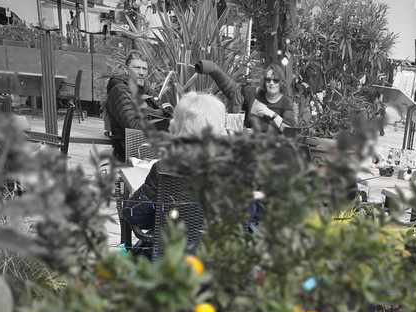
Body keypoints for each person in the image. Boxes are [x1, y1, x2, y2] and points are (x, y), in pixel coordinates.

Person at [120, 92, 228, 254]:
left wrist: (156, 212)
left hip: (168, 259)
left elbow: (134, 216)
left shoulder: (164, 168)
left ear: (176, 130)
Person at [194, 60, 297, 133]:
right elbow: (230, 87)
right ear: (264, 81)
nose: (271, 83)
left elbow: (290, 130)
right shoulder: (254, 94)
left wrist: (271, 114)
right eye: (268, 79)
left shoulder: (285, 102)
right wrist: (211, 68)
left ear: (281, 83)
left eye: (275, 80)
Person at [106, 50, 173, 161]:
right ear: (126, 70)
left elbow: (167, 117)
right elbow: (133, 128)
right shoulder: (119, 91)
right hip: (130, 157)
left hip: (150, 151)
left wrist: (151, 113)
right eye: (137, 68)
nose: (141, 72)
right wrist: (155, 114)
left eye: (144, 69)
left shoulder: (146, 91)